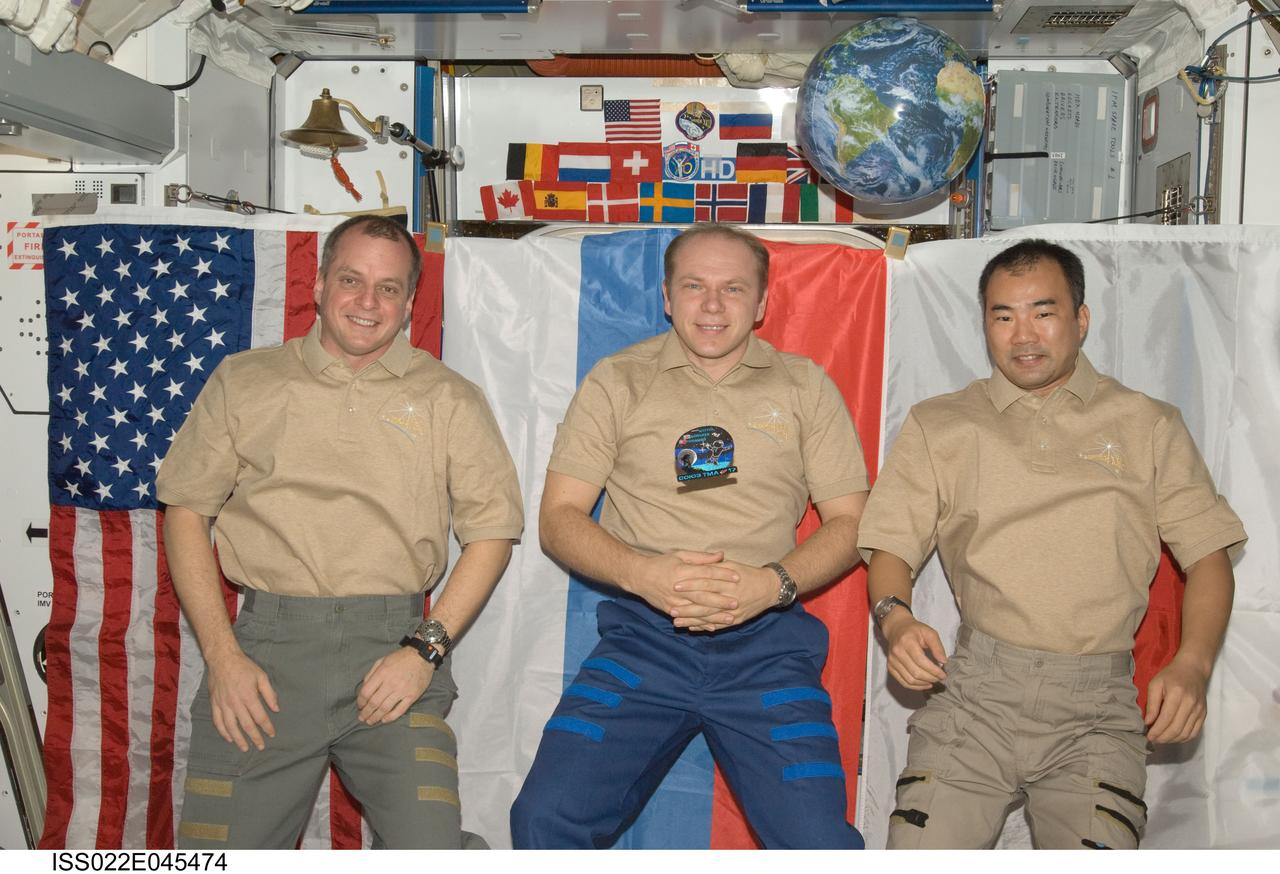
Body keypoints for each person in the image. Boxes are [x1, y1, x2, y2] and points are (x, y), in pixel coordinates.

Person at [858, 239, 1247, 849]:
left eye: (1043, 312)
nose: (1023, 335)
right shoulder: (942, 423)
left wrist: (1194, 664)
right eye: (1002, 316)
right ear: (984, 323)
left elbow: (1209, 558)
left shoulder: (1148, 424)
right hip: (974, 700)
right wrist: (896, 619)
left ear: (1080, 319)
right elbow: (890, 549)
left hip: (1097, 711)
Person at [157, 215, 523, 849]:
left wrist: (423, 652)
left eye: (388, 288)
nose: (367, 302)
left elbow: (492, 534)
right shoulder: (245, 381)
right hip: (266, 659)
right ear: (320, 284)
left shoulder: (449, 398)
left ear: (410, 303)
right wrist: (222, 657)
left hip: (395, 657)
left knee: (432, 852)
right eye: (351, 280)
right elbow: (186, 512)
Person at [509, 225, 868, 849]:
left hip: (769, 647)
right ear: (667, 297)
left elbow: (852, 522)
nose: (712, 304)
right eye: (694, 286)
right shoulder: (616, 380)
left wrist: (772, 585)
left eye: (733, 289)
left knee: (820, 844)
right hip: (645, 642)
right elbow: (558, 518)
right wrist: (643, 575)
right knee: (544, 817)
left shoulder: (804, 386)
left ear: (761, 304)